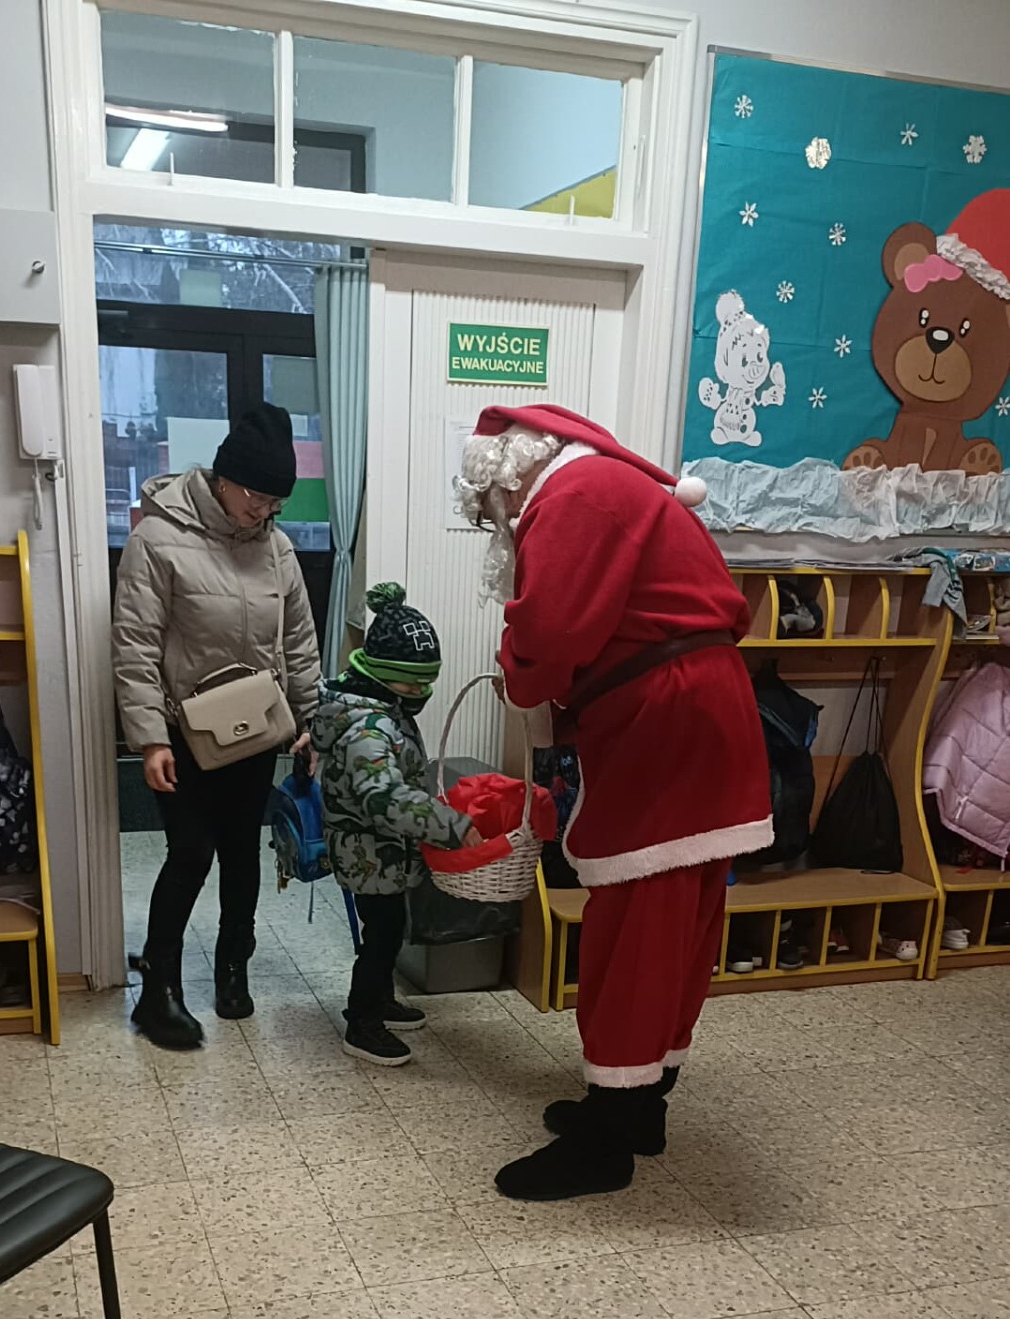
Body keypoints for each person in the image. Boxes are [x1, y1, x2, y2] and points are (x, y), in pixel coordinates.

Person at [456, 403, 772, 1202]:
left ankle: (605, 1142)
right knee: (676, 921)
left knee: (635, 927)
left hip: (664, 719)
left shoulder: (572, 495)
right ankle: (637, 1107)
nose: (498, 528)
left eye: (490, 512)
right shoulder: (604, 485)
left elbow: (548, 633)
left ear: (506, 478)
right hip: (691, 709)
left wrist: (517, 670)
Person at [112, 402, 320, 1051]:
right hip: (183, 734)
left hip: (255, 728)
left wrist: (310, 721)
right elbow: (135, 643)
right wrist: (149, 736)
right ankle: (158, 990)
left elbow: (299, 643)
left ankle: (233, 968)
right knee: (190, 853)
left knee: (240, 853)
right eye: (256, 496)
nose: (264, 511)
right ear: (222, 478)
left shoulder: (278, 549)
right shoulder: (158, 537)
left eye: (275, 502)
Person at [311, 583, 480, 1067]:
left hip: (380, 851)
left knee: (389, 927)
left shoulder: (382, 707)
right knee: (382, 936)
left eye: (425, 683)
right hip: (369, 851)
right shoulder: (369, 728)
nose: (419, 693)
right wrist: (450, 825)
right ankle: (362, 1022)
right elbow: (383, 798)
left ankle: (381, 1000)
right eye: (410, 685)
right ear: (382, 674)